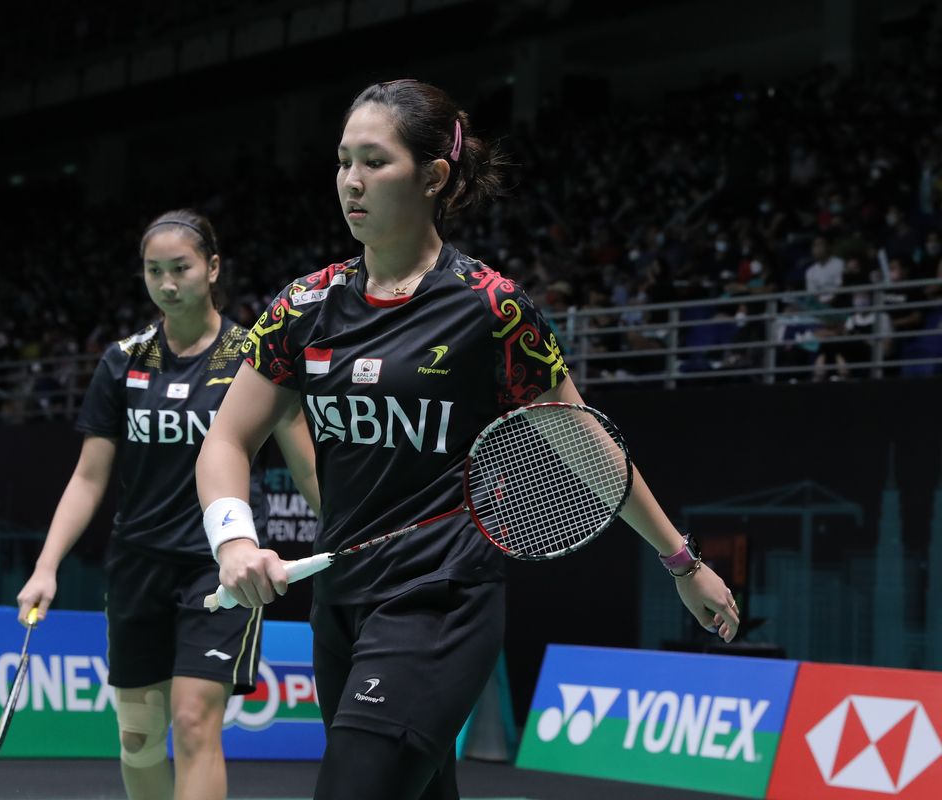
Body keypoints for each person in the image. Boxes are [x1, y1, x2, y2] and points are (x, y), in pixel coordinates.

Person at [196, 79, 740, 800]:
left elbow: (584, 443)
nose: (351, 183)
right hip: (342, 605)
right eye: (341, 161)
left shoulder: (489, 308)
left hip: (439, 602)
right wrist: (233, 539)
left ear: (432, 177)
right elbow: (227, 438)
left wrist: (682, 562)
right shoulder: (305, 305)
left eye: (374, 162)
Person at [15, 209, 316, 800]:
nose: (168, 283)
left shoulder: (253, 359)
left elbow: (306, 463)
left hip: (219, 564)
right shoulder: (122, 361)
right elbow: (87, 477)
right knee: (138, 736)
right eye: (154, 271)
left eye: (180, 268)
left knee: (196, 720)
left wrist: (346, 525)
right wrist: (46, 566)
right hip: (138, 564)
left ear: (212, 267)